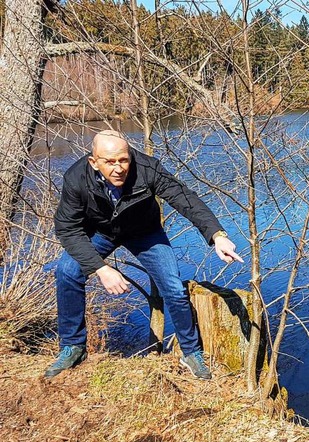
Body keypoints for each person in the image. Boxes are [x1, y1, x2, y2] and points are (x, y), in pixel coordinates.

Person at [45, 130, 243, 379]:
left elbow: (184, 198)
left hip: (145, 232)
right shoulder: (76, 178)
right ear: (94, 162)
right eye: (109, 162)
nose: (118, 168)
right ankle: (73, 347)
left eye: (123, 160)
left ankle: (191, 353)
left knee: (172, 286)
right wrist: (101, 268)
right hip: (101, 232)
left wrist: (217, 235)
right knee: (67, 271)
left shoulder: (147, 168)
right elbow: (67, 229)